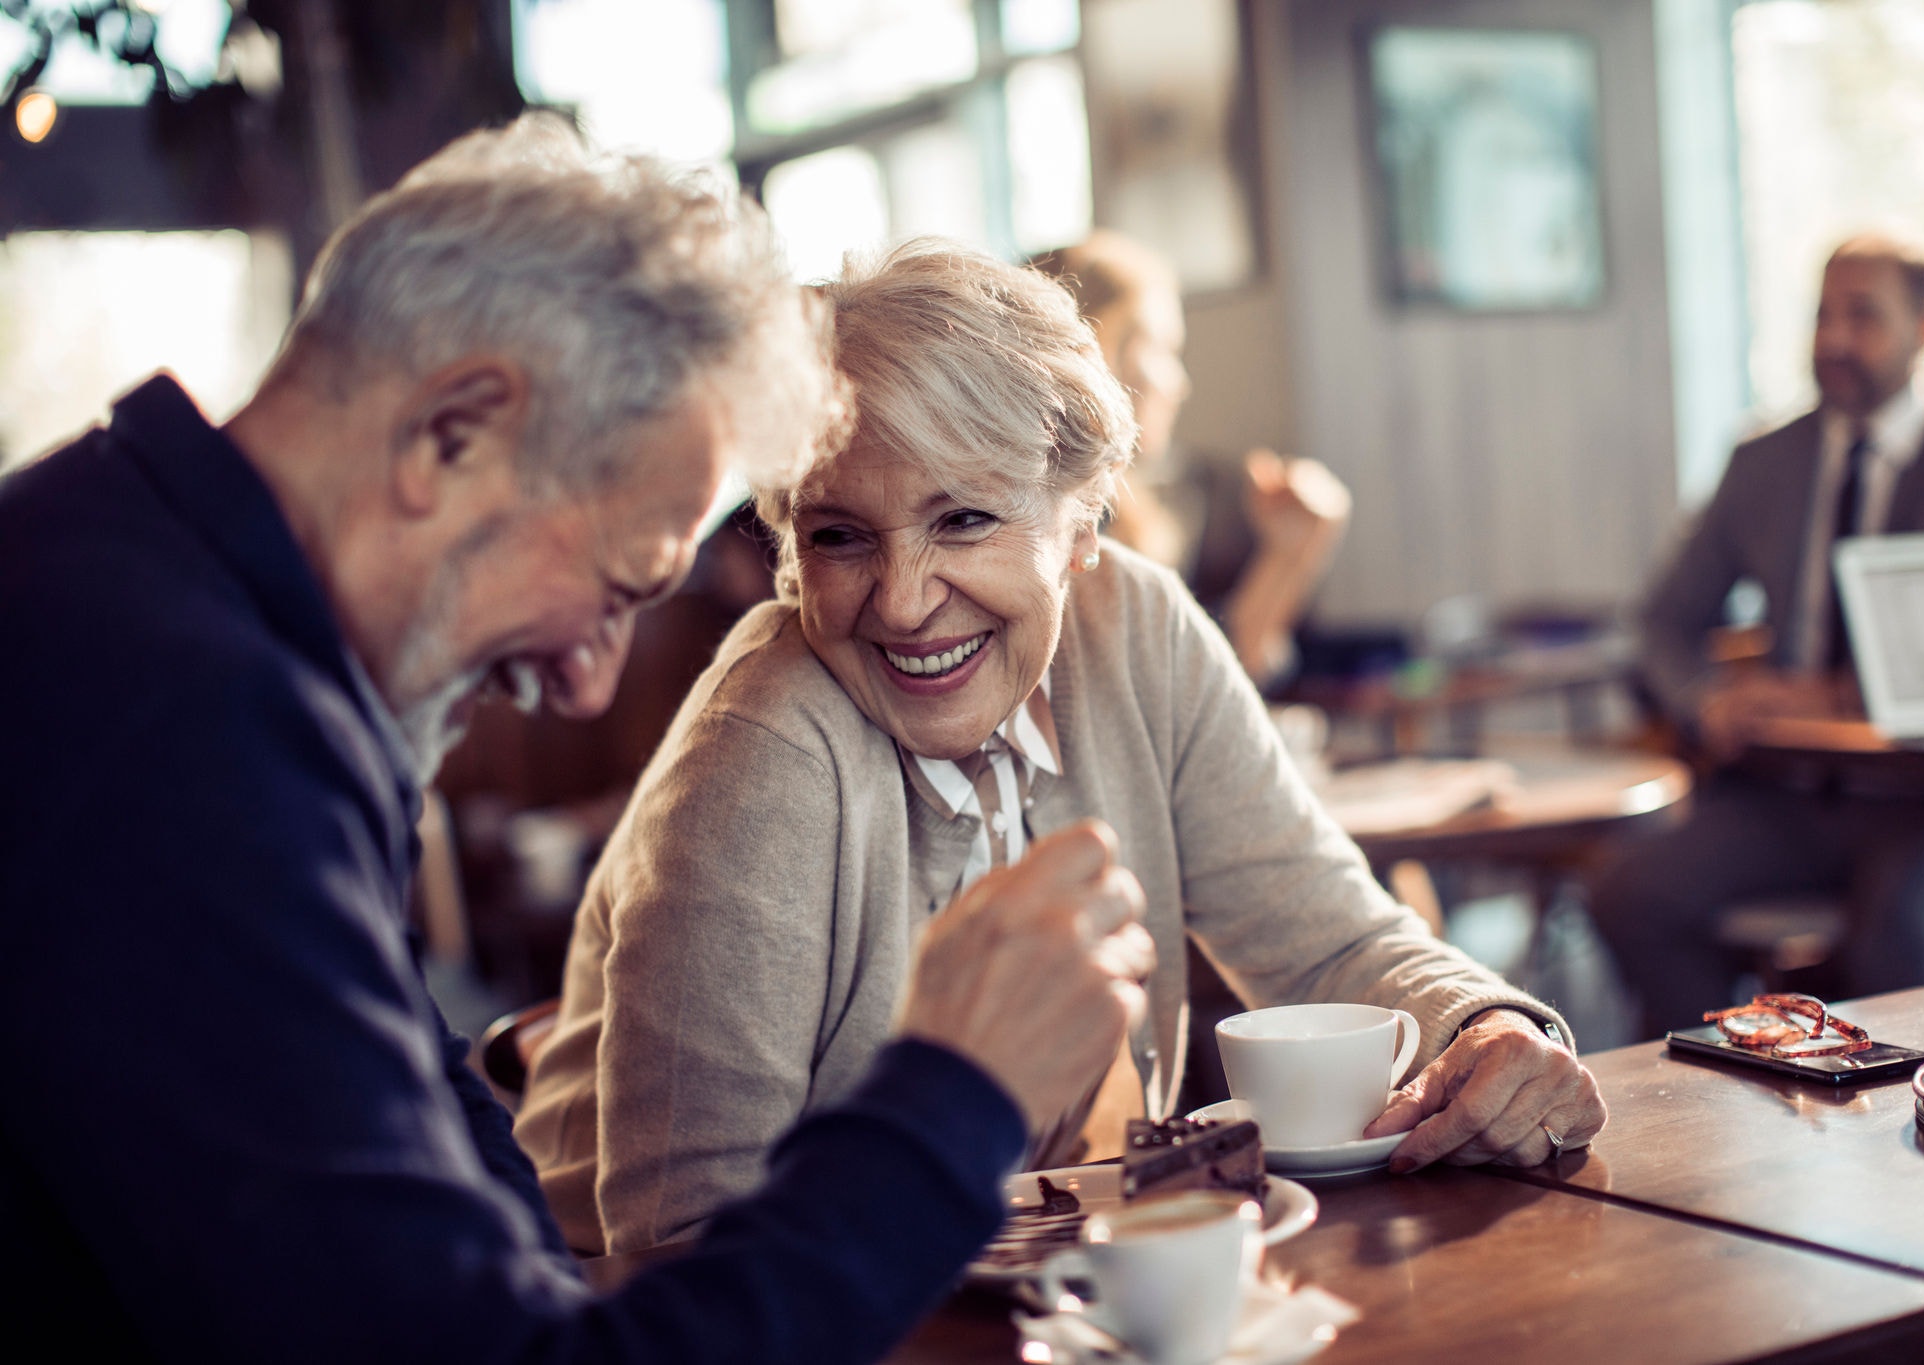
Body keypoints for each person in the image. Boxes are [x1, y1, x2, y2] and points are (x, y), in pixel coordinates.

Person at [0, 117, 1157, 1364]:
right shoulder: (174, 736)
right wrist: (954, 1092)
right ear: (457, 435)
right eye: (617, 585)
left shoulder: (144, 591)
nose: (588, 684)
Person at [516, 240, 1605, 1255]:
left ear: (1082, 524)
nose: (900, 604)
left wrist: (1487, 1026)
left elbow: (1324, 939)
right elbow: (683, 1239)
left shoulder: (1137, 628)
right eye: (839, 536)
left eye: (962, 521)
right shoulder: (760, 751)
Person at [1590, 233, 1924, 1037]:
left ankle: (1911, 1143)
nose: (1833, 340)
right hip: (1791, 792)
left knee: (1897, 955)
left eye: (1863, 316)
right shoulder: (1766, 458)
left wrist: (1848, 694)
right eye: (1822, 316)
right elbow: (1662, 620)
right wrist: (1705, 699)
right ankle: (1727, 1092)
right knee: (1632, 894)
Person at [1036, 230, 1351, 688]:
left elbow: (1203, 694)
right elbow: (1169, 703)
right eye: (1161, 350)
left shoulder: (1136, 512)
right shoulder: (1052, 527)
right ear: (1094, 354)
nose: (1178, 384)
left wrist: (1291, 554)